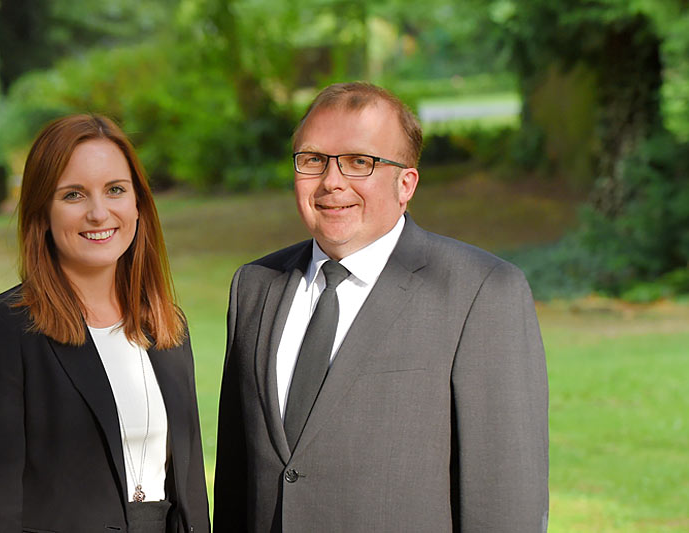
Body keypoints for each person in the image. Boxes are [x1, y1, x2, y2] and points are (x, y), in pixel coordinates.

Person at [213, 82, 549, 532]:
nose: (332, 182)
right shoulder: (255, 287)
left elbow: (506, 501)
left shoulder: (480, 291)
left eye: (359, 162)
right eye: (313, 160)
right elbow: (237, 481)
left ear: (405, 183)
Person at [0, 114, 210, 533]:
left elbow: (190, 493)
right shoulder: (0, 331)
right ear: (42, 213)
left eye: (115, 190)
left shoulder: (165, 327)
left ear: (139, 204)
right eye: (73, 195)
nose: (98, 212)